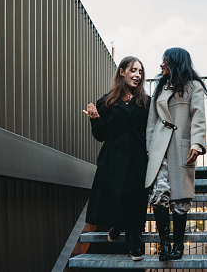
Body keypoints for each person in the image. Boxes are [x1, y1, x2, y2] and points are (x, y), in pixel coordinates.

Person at [83, 56, 150, 261]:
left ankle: (134, 245)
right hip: (113, 156)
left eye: (140, 72)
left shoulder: (146, 102)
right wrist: (95, 119)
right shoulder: (107, 101)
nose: (137, 75)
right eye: (133, 70)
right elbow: (101, 135)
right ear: (122, 71)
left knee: (136, 198)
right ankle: (117, 224)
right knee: (115, 195)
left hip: (137, 155)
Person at [145, 47, 207, 261]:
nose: (161, 65)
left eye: (166, 61)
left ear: (176, 62)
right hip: (159, 150)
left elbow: (198, 116)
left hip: (182, 148)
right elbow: (152, 122)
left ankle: (178, 244)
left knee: (180, 200)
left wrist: (197, 144)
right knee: (159, 197)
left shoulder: (193, 86)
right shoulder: (159, 88)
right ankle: (164, 243)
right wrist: (149, 149)